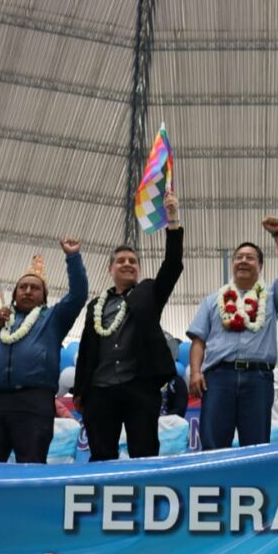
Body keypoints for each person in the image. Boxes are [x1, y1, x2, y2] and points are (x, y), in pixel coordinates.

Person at [71, 196, 182, 461]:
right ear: (110, 269)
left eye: (132, 261)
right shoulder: (95, 305)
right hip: (99, 390)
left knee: (144, 454)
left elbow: (172, 265)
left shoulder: (149, 292)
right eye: (121, 261)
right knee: (101, 456)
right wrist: (80, 391)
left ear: (138, 268)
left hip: (140, 388)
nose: (127, 264)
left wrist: (173, 220)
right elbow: (86, 350)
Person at [0, 239, 87, 463]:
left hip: (34, 401)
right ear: (15, 294)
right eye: (23, 287)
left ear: (44, 296)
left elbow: (78, 295)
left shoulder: (53, 318)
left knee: (31, 461)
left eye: (35, 288)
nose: (28, 291)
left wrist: (73, 257)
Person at [187, 217, 278, 449]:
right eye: (239, 257)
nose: (243, 261)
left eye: (250, 258)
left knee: (256, 445)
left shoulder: (271, 297)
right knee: (213, 445)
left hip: (258, 378)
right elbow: (199, 340)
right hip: (218, 378)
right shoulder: (212, 300)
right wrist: (196, 372)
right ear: (232, 264)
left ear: (260, 266)